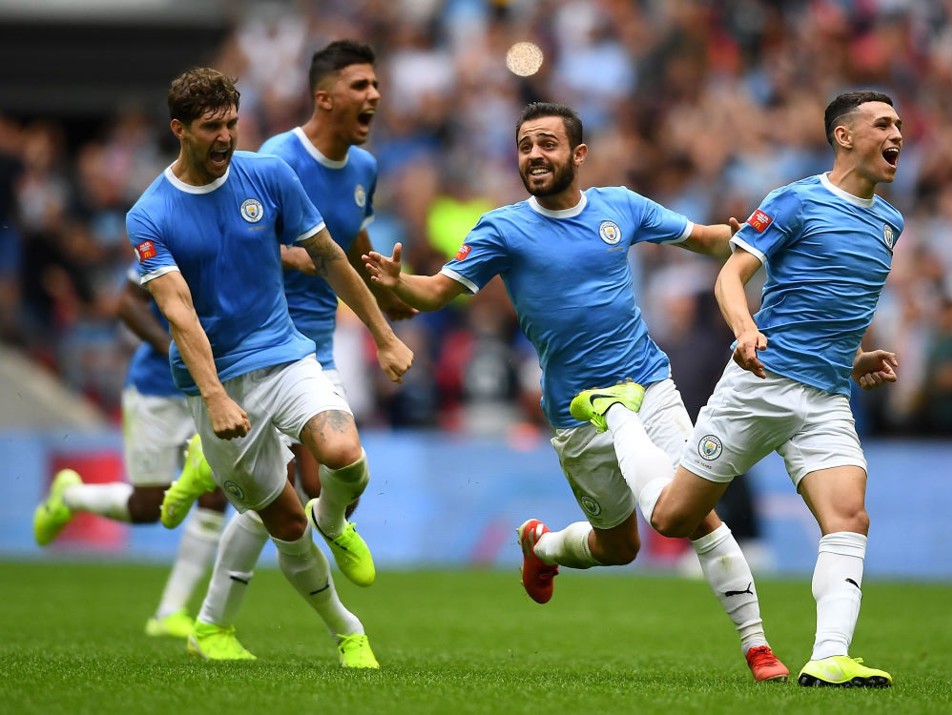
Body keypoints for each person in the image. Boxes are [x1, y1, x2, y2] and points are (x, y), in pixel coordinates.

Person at [362, 101, 788, 682]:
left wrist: (749, 239)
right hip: (574, 414)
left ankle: (758, 647)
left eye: (547, 144)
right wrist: (397, 283)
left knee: (694, 514)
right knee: (620, 549)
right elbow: (438, 292)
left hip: (649, 386)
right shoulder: (503, 228)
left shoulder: (622, 207)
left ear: (578, 154)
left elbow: (704, 239)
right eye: (525, 146)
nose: (534, 155)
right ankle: (541, 548)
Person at [582, 90, 903, 688]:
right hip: (761, 384)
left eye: (899, 125)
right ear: (844, 135)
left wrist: (855, 359)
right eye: (883, 123)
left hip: (827, 396)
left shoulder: (890, 221)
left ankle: (829, 656)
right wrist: (746, 328)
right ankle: (619, 415)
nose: (896, 135)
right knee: (675, 518)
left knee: (849, 517)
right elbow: (730, 276)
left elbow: (831, 304)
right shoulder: (794, 201)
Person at [123, 67, 413, 666]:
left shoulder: (268, 175)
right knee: (282, 521)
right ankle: (345, 628)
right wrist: (216, 398)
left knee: (345, 458)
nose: (226, 137)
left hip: (285, 356)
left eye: (232, 122)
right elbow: (180, 315)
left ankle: (333, 521)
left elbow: (331, 256)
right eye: (211, 127)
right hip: (215, 386)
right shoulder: (150, 215)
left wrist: (383, 335)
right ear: (179, 129)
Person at [32, 264, 226, 639]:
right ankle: (70, 497)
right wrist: (174, 349)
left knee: (216, 493)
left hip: (211, 392)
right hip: (156, 392)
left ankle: (170, 612)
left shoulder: (241, 231)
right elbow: (127, 304)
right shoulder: (168, 231)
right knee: (148, 507)